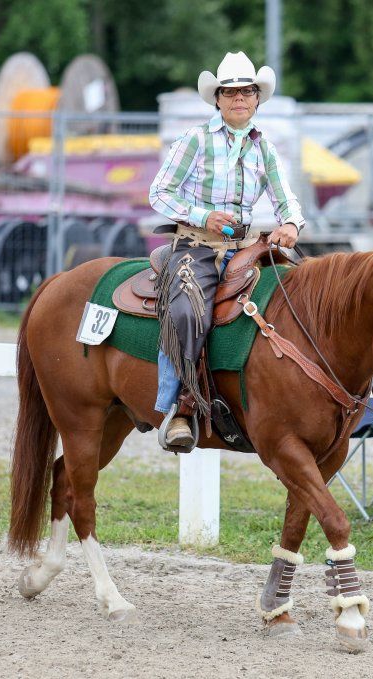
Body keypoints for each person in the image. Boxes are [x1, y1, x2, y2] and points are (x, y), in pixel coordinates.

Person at [148, 51, 305, 451]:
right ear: (217, 99)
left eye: (246, 91)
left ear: (257, 98)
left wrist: (290, 223)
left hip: (244, 248)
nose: (239, 98)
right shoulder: (195, 140)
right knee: (186, 309)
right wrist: (203, 216)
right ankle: (182, 408)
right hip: (196, 245)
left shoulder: (264, 148)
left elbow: (285, 199)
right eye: (230, 92)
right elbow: (159, 193)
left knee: (292, 298)